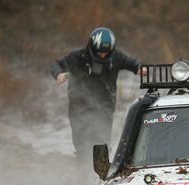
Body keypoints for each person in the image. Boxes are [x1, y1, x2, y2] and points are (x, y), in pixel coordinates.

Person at [51, 27, 147, 162]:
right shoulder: (78, 56)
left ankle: (100, 178)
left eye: (106, 53)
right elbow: (57, 65)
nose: (102, 55)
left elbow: (132, 63)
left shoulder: (116, 57)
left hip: (105, 108)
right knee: (82, 146)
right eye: (100, 53)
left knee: (102, 145)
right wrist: (58, 74)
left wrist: (140, 68)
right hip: (79, 108)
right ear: (91, 47)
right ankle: (83, 177)